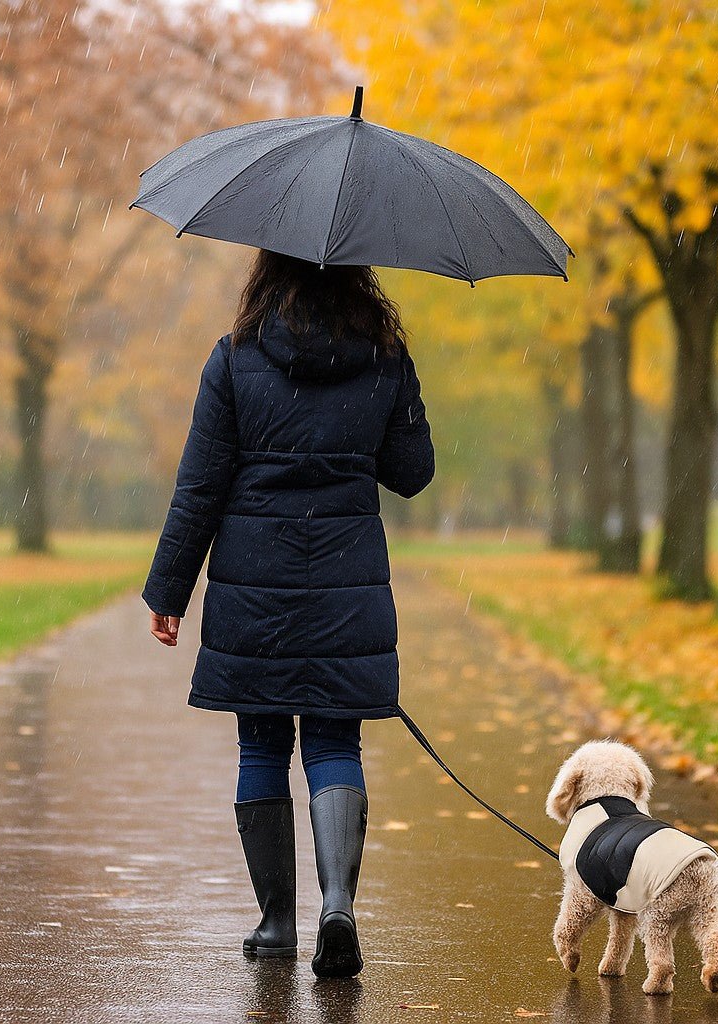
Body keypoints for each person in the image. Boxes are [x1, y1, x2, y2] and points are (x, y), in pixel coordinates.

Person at [142, 250, 435, 978]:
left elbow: (199, 487)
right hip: (347, 584)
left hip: (255, 585)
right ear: (360, 270)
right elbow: (413, 471)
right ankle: (338, 902)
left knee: (262, 746)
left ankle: (276, 924)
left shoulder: (235, 358)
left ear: (269, 267)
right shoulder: (383, 357)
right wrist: (398, 393)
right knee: (336, 743)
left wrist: (169, 591)